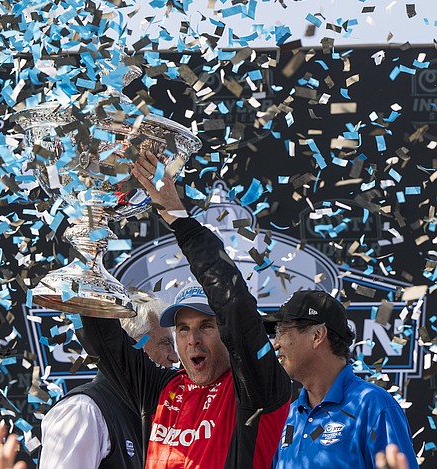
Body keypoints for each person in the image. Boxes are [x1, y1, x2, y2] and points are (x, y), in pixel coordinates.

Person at [77, 152, 291, 468]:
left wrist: (178, 217)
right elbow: (106, 345)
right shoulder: (161, 388)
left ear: (227, 334)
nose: (192, 340)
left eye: (206, 325)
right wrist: (90, 267)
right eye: (182, 328)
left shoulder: (255, 385)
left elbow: (234, 303)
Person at [264, 290, 419, 468]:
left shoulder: (372, 405)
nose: (275, 343)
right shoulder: (288, 416)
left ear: (317, 335)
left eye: (282, 331)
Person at [38, 297, 179, 468]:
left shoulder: (154, 417)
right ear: (132, 344)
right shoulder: (83, 409)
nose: (175, 357)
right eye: (165, 344)